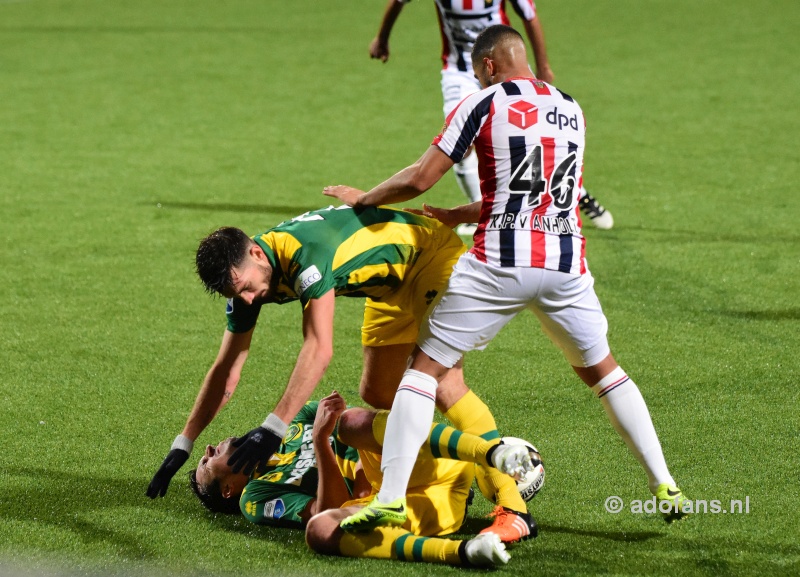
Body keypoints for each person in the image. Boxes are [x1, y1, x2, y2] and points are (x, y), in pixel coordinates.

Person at [323, 25, 687, 530]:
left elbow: (420, 176)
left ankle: (389, 496)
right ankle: (663, 482)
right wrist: (461, 212)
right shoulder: (572, 109)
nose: (475, 80)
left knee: (423, 370)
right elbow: (539, 190)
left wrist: (365, 198)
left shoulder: (483, 102)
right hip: (565, 266)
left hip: (498, 264)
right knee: (604, 371)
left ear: (489, 65)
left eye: (476, 72)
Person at [147, 204, 538, 542]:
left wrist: (274, 427)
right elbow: (226, 369)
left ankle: (511, 504)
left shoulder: (304, 256)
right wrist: (184, 443)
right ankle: (455, 466)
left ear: (255, 252)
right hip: (389, 286)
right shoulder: (253, 278)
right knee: (380, 390)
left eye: (246, 287)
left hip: (429, 257)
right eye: (238, 295)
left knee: (443, 381)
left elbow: (319, 349)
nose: (249, 300)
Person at [191, 391, 533, 567]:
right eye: (206, 464)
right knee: (320, 531)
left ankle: (489, 453)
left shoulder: (286, 426)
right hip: (413, 510)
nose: (208, 448)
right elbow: (333, 508)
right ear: (227, 491)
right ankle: (465, 551)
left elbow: (353, 421)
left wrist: (358, 474)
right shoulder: (253, 496)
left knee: (350, 421)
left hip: (416, 465)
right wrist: (322, 445)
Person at [368, 0, 613, 233]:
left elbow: (529, 16)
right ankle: (479, 209)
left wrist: (543, 66)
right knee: (461, 147)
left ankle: (577, 193)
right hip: (460, 72)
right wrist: (382, 38)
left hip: (504, 67)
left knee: (530, 136)